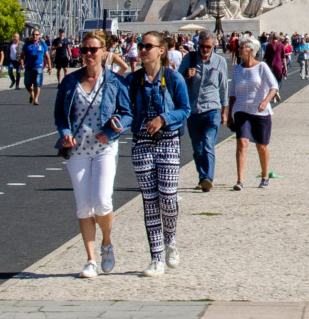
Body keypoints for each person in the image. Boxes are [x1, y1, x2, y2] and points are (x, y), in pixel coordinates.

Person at [54, 30, 128, 279]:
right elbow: (60, 115)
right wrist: (65, 132)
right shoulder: (70, 82)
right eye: (84, 50)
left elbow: (127, 113)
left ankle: (107, 243)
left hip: (105, 147)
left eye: (93, 50)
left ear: (103, 52)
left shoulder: (114, 81)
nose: (87, 54)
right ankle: (91, 259)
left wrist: (114, 128)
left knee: (102, 201)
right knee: (84, 206)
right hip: (78, 150)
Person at [127, 31, 190, 277]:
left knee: (168, 197)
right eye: (141, 46)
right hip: (142, 142)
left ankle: (170, 240)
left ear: (161, 50)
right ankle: (156, 257)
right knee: (150, 201)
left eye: (148, 46)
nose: (142, 50)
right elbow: (125, 107)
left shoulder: (174, 78)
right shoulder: (134, 80)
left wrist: (164, 118)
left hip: (168, 142)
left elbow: (185, 109)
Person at [227, 36, 280, 189]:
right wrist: (230, 114)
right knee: (242, 143)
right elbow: (232, 94)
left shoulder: (262, 67)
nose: (238, 50)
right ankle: (240, 180)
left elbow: (274, 87)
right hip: (241, 110)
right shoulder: (237, 69)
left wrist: (265, 101)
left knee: (261, 146)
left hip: (260, 112)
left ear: (251, 49)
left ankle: (264, 175)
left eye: (241, 47)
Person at [180, 31, 230, 191]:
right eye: (201, 46)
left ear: (214, 46)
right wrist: (187, 76)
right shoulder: (189, 59)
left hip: (212, 108)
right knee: (197, 148)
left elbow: (224, 87)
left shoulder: (219, 61)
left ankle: (207, 178)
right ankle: (202, 177)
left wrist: (224, 111)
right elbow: (178, 81)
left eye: (208, 46)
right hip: (194, 109)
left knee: (208, 144)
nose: (204, 49)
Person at [22, 31, 48, 104]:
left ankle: (36, 99)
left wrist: (49, 67)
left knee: (37, 83)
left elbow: (46, 55)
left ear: (39, 36)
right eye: (34, 34)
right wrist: (21, 62)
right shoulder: (27, 44)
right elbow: (22, 54)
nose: (35, 36)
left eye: (37, 35)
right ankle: (31, 93)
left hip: (39, 66)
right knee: (27, 84)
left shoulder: (42, 44)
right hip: (29, 66)